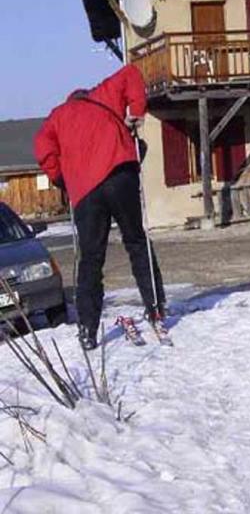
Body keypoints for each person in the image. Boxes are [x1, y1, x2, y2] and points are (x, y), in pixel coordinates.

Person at [34, 64, 166, 350]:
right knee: (136, 241)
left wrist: (61, 178)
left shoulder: (57, 116)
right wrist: (135, 113)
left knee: (91, 259)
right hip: (120, 176)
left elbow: (42, 147)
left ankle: (87, 328)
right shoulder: (105, 93)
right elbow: (132, 72)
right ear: (87, 95)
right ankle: (155, 307)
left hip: (85, 193)